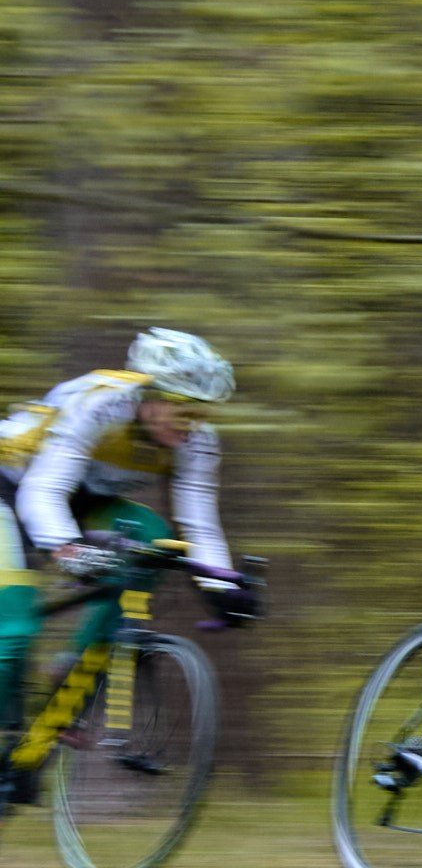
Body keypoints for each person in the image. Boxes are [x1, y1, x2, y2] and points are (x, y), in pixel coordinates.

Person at [0, 328, 250, 803]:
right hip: (14, 488)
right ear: (150, 397)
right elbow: (42, 490)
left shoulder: (198, 442)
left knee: (154, 541)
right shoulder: (100, 405)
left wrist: (224, 585)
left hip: (82, 499)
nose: (194, 424)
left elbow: (198, 522)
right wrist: (67, 550)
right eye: (185, 410)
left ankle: (71, 672)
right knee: (13, 627)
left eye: (203, 413)